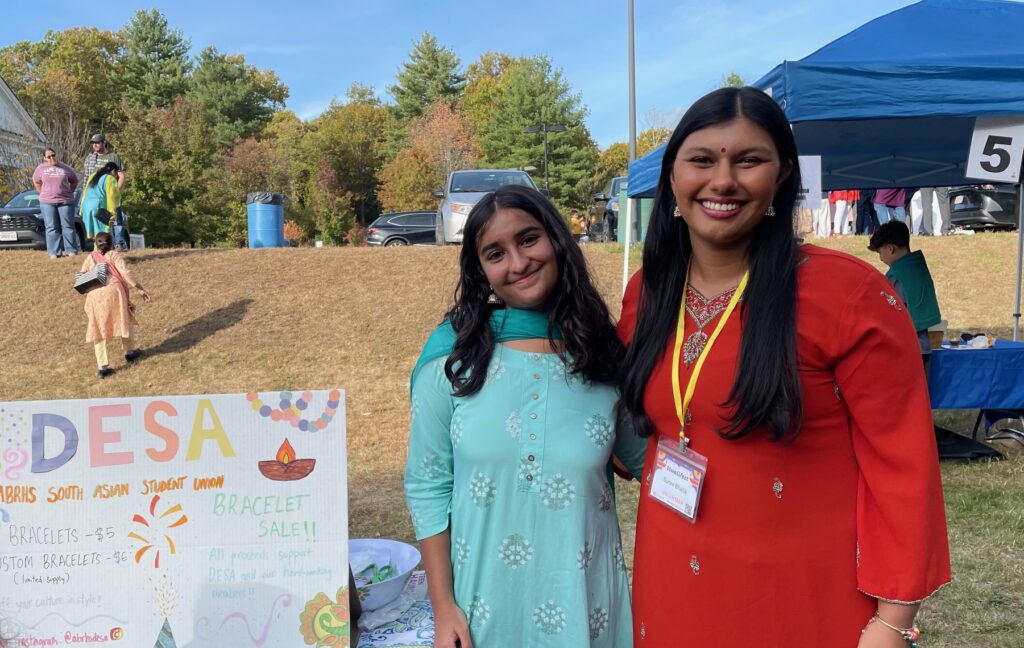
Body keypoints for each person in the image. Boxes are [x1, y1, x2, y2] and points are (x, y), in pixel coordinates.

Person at [616, 87, 950, 647]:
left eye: (748, 160)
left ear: (782, 177)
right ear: (672, 177)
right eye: (702, 159)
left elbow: (903, 465)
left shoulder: (846, 295)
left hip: (803, 597)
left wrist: (892, 621)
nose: (723, 180)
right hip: (670, 574)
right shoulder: (646, 294)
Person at [404, 185, 645, 648]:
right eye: (496, 253)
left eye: (529, 239)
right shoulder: (451, 360)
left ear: (557, 239)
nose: (517, 263)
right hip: (483, 609)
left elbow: (649, 464)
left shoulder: (605, 357)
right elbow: (427, 486)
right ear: (481, 270)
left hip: (586, 605)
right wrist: (443, 607)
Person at [80, 232, 152, 378]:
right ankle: (129, 351)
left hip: (94, 294)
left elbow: (81, 277)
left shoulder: (90, 257)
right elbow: (125, 272)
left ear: (96, 243)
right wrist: (139, 288)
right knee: (123, 318)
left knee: (97, 328)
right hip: (113, 290)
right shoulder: (113, 255)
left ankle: (103, 367)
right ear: (111, 243)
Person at [868, 221, 942, 356]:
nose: (880, 258)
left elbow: (891, 315)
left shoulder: (897, 277)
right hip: (923, 345)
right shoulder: (918, 270)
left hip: (905, 348)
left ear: (890, 248)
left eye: (880, 252)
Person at [31, 148, 80, 258]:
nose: (52, 158)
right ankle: (54, 252)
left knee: (68, 226)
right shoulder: (40, 168)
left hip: (65, 201)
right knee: (51, 227)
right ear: (44, 158)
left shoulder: (65, 168)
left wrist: (69, 191)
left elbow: (74, 180)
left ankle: (71, 250)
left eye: (53, 155)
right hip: (47, 202)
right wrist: (42, 192)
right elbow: (36, 181)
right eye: (49, 156)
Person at [79, 162, 122, 243]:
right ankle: (101, 253)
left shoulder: (93, 176)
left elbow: (85, 192)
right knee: (102, 235)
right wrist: (112, 213)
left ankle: (97, 253)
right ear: (113, 171)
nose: (116, 177)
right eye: (116, 174)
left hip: (86, 208)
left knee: (95, 235)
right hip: (99, 208)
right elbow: (113, 197)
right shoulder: (110, 179)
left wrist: (81, 210)